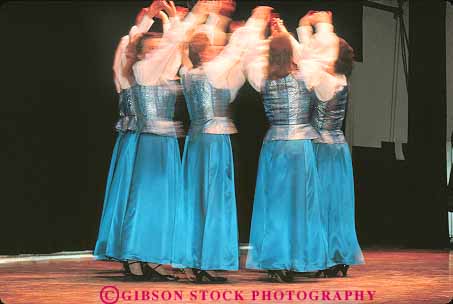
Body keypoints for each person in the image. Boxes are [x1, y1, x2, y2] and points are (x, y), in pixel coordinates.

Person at [171, 2, 267, 283]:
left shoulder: (188, 73)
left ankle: (194, 259)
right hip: (213, 143)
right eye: (213, 47)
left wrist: (232, 33)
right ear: (203, 51)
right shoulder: (213, 71)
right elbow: (234, 53)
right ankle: (204, 261)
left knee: (197, 200)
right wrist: (255, 21)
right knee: (214, 200)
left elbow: (235, 72)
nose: (218, 50)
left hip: (197, 141)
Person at [244, 12, 333, 283]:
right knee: (300, 204)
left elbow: (250, 55)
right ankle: (297, 258)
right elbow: (310, 57)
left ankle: (276, 260)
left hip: (274, 146)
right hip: (298, 148)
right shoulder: (306, 74)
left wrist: (272, 36)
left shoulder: (260, 76)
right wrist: (288, 32)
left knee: (275, 204)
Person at [93, 2, 163, 275]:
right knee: (132, 197)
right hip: (136, 137)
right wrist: (149, 19)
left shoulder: (144, 65)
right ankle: (133, 256)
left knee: (136, 198)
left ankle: (138, 256)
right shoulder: (132, 61)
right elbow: (131, 44)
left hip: (138, 137)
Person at [298, 11, 365, 277]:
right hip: (336, 147)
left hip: (322, 149)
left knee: (321, 202)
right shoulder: (340, 79)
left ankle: (327, 256)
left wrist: (306, 28)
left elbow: (305, 58)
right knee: (336, 204)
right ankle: (337, 256)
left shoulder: (325, 79)